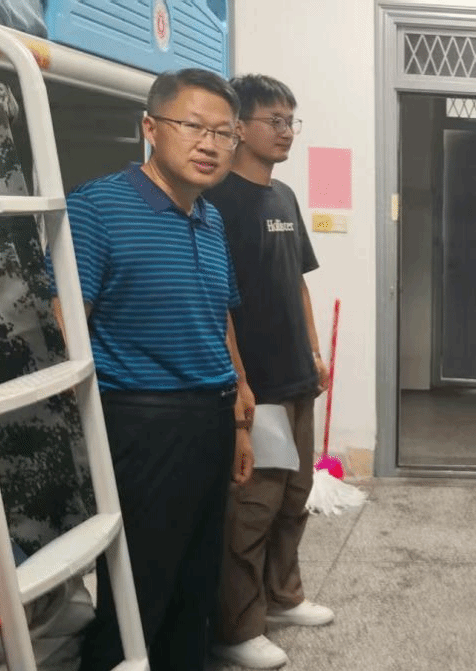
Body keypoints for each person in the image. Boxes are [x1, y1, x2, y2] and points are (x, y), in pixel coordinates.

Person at [49, 68, 255, 671]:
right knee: (140, 586)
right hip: (140, 421)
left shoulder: (209, 217)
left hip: (210, 415)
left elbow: (219, 313)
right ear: (150, 127)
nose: (209, 144)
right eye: (192, 126)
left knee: (197, 582)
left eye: (224, 133)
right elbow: (67, 324)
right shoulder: (96, 207)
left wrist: (240, 399)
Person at [205, 74, 332, 670]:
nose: (286, 132)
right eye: (274, 120)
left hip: (296, 375)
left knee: (296, 497)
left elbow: (297, 281)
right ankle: (237, 627)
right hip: (257, 387)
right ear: (239, 126)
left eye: (290, 120)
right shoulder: (218, 201)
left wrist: (314, 350)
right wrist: (240, 382)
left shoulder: (283, 197)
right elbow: (219, 303)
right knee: (253, 508)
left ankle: (283, 596)